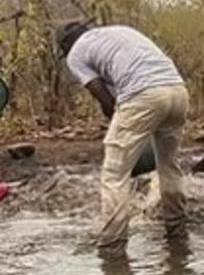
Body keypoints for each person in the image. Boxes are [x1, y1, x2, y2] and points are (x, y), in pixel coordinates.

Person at [56, 21, 189, 250]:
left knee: (114, 173)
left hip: (143, 94)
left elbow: (101, 94)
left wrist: (115, 117)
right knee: (168, 165)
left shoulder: (76, 53)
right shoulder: (120, 31)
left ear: (66, 45)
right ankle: (176, 230)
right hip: (177, 91)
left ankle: (112, 243)